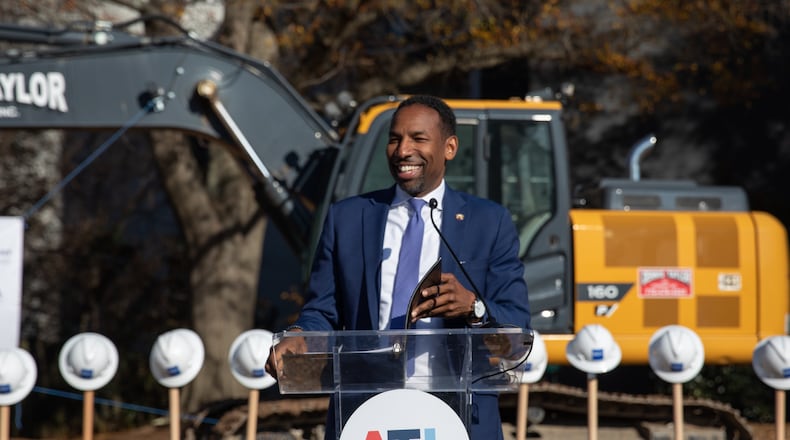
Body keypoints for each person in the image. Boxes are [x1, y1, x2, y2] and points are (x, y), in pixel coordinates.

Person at [266, 95, 530, 439]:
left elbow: (517, 324)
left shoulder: (488, 222)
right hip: (368, 410)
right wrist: (299, 338)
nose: (403, 150)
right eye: (394, 138)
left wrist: (474, 308)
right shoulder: (347, 218)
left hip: (458, 414)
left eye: (418, 138)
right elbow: (322, 311)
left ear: (449, 147)